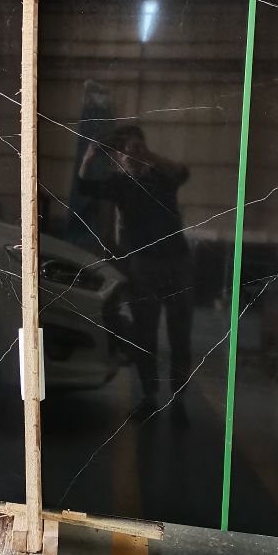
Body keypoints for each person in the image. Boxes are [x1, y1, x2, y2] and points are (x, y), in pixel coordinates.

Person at [78, 125, 194, 423]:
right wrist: (90, 154)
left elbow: (183, 172)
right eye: (125, 152)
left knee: (180, 333)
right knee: (145, 333)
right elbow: (84, 186)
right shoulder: (120, 185)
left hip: (176, 263)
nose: (131, 156)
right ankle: (150, 397)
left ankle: (180, 400)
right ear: (118, 157)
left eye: (136, 150)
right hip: (143, 266)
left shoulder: (161, 176)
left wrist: (148, 156)